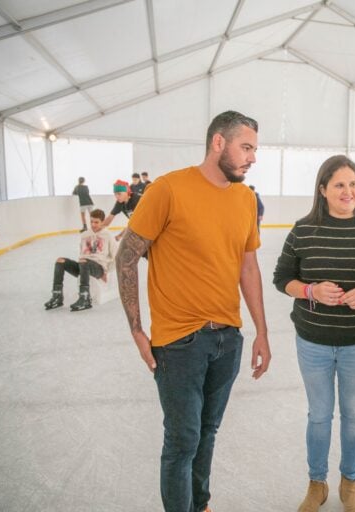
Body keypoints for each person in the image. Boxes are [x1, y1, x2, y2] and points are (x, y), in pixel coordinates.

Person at [115, 110, 271, 512]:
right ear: (218, 142)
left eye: (254, 148)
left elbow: (247, 266)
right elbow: (127, 255)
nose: (252, 157)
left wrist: (261, 332)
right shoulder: (168, 189)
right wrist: (137, 330)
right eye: (246, 147)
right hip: (179, 343)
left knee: (207, 433)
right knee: (182, 441)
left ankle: (200, 504)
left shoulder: (245, 198)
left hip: (227, 339)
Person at [273, 155, 355, 512]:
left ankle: (350, 484)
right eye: (340, 185)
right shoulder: (303, 229)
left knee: (354, 413)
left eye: (354, 184)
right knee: (318, 414)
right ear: (323, 190)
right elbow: (282, 277)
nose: (348, 192)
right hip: (313, 340)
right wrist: (310, 291)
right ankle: (317, 483)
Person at [43, 209, 116, 311]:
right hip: (83, 265)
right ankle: (57, 297)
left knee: (84, 262)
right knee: (60, 261)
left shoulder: (108, 235)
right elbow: (82, 254)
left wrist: (106, 272)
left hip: (98, 268)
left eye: (96, 222)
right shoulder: (85, 235)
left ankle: (85, 298)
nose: (93, 224)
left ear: (102, 222)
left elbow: (116, 257)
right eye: (91, 221)